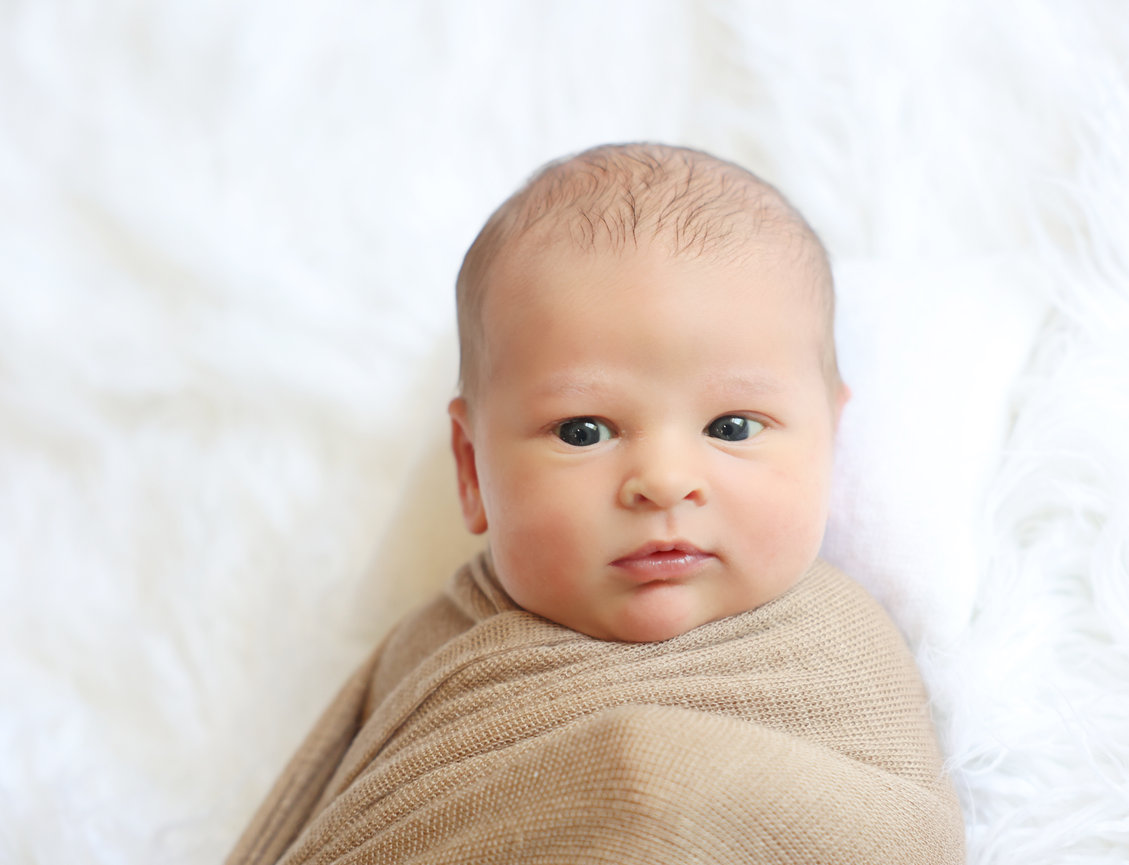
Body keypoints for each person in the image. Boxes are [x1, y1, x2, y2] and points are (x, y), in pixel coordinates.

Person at [227, 144, 964, 865]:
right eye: (584, 431)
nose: (665, 481)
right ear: (471, 468)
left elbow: (903, 839)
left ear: (829, 442)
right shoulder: (436, 656)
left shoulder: (842, 661)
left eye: (731, 427)